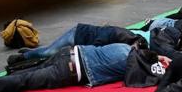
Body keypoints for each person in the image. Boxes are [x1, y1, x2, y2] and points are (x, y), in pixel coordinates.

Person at [0, 44, 171, 92]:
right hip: (71, 70)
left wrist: (159, 57)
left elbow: (146, 56)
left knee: (35, 69)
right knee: (27, 80)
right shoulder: (130, 62)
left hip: (69, 53)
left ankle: (8, 71)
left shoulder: (126, 48)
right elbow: (137, 77)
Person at [8, 23, 147, 65]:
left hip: (82, 39)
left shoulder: (125, 40)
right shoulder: (118, 33)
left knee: (51, 50)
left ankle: (28, 52)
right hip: (76, 36)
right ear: (135, 42)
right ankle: (23, 57)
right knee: (49, 53)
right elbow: (98, 44)